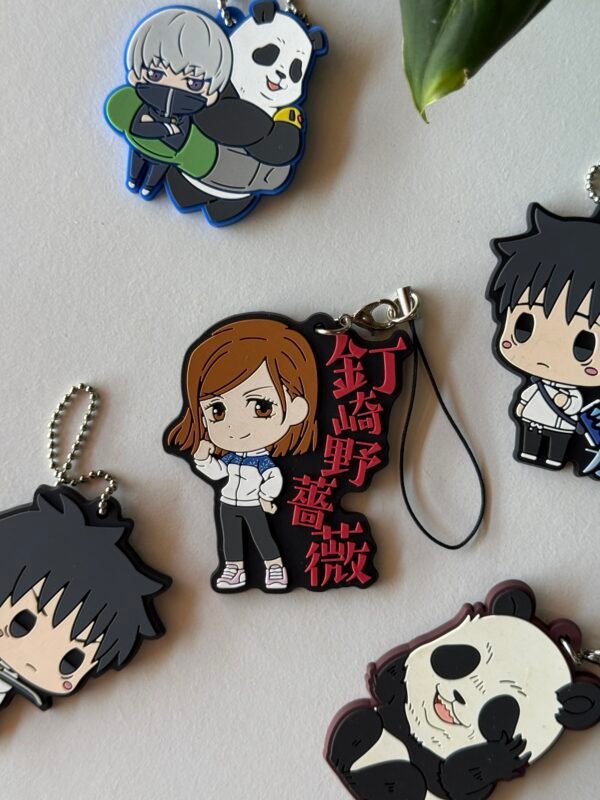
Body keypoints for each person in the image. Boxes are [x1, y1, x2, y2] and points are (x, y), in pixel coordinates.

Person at [166, 318, 319, 591]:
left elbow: (273, 478)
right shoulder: (230, 458)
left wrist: (266, 496)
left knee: (263, 536)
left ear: (296, 410)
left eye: (261, 407)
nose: (235, 427)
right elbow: (218, 473)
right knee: (231, 539)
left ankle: (275, 567)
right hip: (228, 501)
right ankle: (234, 569)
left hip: (253, 504)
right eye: (217, 410)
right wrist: (203, 458)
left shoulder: (262, 461)